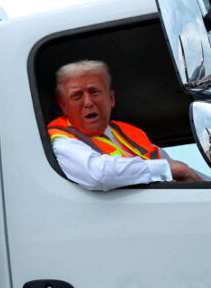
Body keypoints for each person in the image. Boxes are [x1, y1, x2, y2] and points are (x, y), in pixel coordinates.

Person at [49, 60, 201, 190]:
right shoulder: (61, 140)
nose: (88, 102)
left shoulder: (131, 133)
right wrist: (167, 169)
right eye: (77, 96)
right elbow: (98, 174)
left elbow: (184, 171)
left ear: (111, 99)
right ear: (64, 106)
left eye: (94, 92)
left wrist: (189, 175)